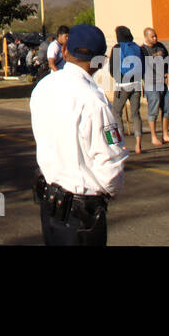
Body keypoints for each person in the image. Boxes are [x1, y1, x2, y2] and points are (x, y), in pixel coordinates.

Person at [29, 25, 129, 246]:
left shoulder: (43, 87)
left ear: (65, 51)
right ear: (101, 61)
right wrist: (106, 195)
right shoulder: (93, 100)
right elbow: (110, 161)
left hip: (51, 204)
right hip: (80, 211)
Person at [108, 26, 143, 154]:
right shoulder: (137, 47)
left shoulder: (117, 48)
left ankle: (122, 144)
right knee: (136, 114)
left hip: (123, 85)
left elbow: (112, 69)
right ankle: (138, 144)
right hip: (137, 84)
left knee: (116, 112)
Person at [141, 27, 169, 145]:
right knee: (153, 110)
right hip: (152, 84)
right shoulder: (142, 50)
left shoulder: (161, 46)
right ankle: (153, 136)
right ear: (146, 37)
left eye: (156, 35)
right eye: (152, 36)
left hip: (164, 82)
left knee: (167, 109)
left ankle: (165, 134)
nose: (155, 38)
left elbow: (168, 61)